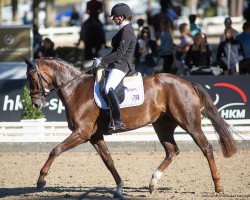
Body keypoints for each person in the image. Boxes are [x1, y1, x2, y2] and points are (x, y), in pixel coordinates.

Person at [93, 3, 136, 132]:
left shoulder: (127, 31)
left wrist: (102, 60)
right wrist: (102, 60)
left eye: (115, 16)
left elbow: (119, 54)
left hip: (122, 65)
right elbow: (114, 51)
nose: (113, 19)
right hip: (116, 64)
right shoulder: (123, 30)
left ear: (121, 17)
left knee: (108, 87)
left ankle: (118, 121)